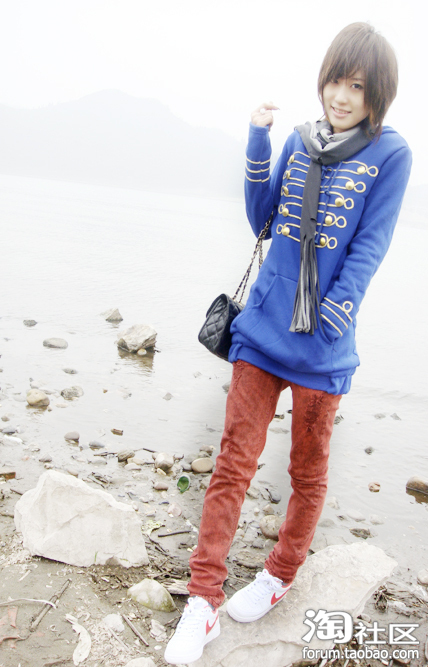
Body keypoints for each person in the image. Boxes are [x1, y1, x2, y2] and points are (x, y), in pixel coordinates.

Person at [165, 21, 411, 666]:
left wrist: (335, 312)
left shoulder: (391, 154)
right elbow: (263, 219)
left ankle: (279, 573)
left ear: (377, 94)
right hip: (262, 331)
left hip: (324, 346)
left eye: (358, 87)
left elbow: (371, 243)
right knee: (232, 464)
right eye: (336, 81)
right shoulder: (300, 142)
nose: (342, 96)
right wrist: (258, 140)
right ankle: (203, 601)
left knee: (307, 470)